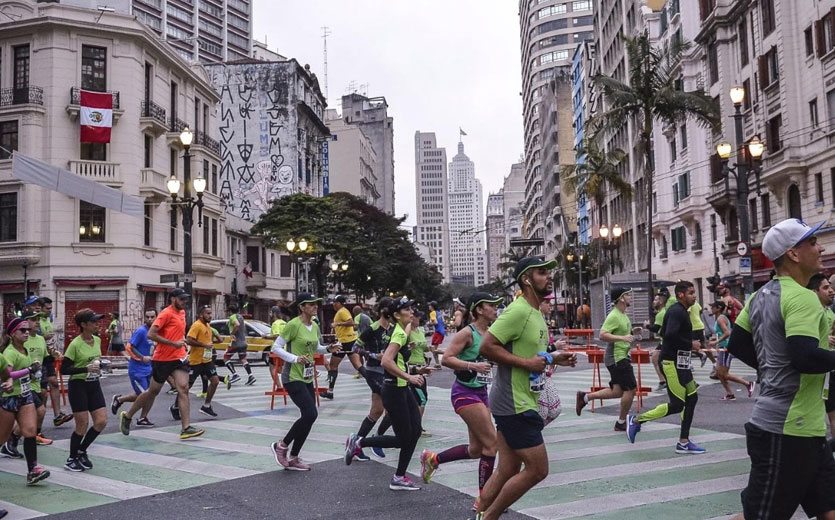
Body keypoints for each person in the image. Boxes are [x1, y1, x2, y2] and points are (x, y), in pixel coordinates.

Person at [727, 219, 835, 520]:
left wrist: (771, 369)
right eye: (812, 242)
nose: (821, 246)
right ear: (794, 254)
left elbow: (737, 343)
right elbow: (805, 357)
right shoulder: (803, 298)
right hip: (787, 432)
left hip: (808, 429)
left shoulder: (760, 295)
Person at [474, 257, 577, 520]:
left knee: (507, 468)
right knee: (538, 469)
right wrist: (528, 364)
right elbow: (486, 347)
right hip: (514, 402)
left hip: (522, 399)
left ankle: (477, 513)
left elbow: (533, 354)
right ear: (526, 280)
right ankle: (489, 518)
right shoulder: (518, 311)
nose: (548, 277)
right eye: (542, 273)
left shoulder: (536, 313)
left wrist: (555, 356)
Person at [420, 292, 503, 511]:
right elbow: (446, 358)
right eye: (491, 305)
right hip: (463, 393)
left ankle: (433, 459)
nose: (496, 308)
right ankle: (485, 501)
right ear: (478, 310)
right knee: (492, 443)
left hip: (481, 392)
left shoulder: (491, 333)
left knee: (477, 449)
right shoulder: (468, 333)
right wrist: (472, 366)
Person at [344, 296, 431, 490]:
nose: (411, 312)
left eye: (411, 309)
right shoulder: (398, 333)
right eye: (407, 310)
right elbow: (386, 361)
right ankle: (359, 442)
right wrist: (409, 378)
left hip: (402, 388)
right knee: (403, 438)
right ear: (396, 315)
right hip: (394, 389)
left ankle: (399, 477)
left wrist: (416, 372)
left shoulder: (398, 331)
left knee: (415, 432)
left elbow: (398, 362)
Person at [626, 281, 705, 454]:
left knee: (692, 399)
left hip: (681, 363)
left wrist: (693, 348)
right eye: (691, 292)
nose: (695, 296)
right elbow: (669, 335)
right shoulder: (677, 311)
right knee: (677, 404)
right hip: (671, 364)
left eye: (694, 292)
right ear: (681, 295)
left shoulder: (681, 311)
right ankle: (637, 420)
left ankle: (683, 442)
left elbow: (663, 332)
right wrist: (690, 344)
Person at [119, 289, 204, 440]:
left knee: (183, 388)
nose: (184, 302)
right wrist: (173, 343)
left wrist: (183, 345)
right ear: (173, 299)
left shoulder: (182, 313)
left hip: (179, 358)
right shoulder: (166, 313)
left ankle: (186, 428)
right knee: (152, 392)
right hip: (162, 359)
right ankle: (128, 415)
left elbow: (178, 333)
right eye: (181, 299)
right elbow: (151, 334)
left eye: (186, 299)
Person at [270, 293, 340, 471]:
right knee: (310, 414)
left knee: (309, 417)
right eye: (310, 304)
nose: (315, 306)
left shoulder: (315, 325)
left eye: (316, 304)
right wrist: (294, 359)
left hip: (307, 376)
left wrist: (328, 349)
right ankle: (282, 446)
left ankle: (293, 457)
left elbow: (316, 347)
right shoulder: (293, 325)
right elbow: (276, 348)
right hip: (292, 377)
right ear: (302, 307)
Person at [576, 288, 637, 431]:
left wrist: (633, 333)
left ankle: (585, 397)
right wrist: (622, 338)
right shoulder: (614, 315)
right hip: (617, 358)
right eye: (627, 294)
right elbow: (603, 335)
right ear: (621, 298)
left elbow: (621, 333)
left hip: (620, 356)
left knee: (617, 391)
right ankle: (621, 423)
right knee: (631, 389)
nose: (630, 297)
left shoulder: (623, 315)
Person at [0, 317, 50, 485]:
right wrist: (28, 370)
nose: (27, 333)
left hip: (25, 394)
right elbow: (8, 374)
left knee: (30, 431)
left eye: (28, 330)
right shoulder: (9, 352)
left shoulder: (25, 350)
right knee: (2, 437)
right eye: (22, 330)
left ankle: (32, 470)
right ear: (13, 334)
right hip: (9, 398)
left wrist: (34, 372)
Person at [343, 298, 394, 462]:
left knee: (377, 411)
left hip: (388, 371)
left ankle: (357, 442)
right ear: (383, 310)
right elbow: (355, 348)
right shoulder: (373, 328)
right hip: (374, 372)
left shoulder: (393, 329)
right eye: (391, 309)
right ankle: (375, 440)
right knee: (392, 408)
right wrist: (373, 355)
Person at [60, 309, 108, 472]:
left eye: (97, 321)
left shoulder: (97, 340)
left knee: (101, 421)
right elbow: (64, 369)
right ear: (83, 325)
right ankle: (71, 458)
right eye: (93, 322)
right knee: (82, 424)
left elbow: (97, 361)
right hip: (78, 386)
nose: (97, 324)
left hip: (93, 384)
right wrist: (85, 369)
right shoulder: (75, 344)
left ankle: (81, 450)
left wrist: (101, 366)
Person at [111, 309, 155, 425]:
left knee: (149, 394)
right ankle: (128, 415)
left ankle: (141, 417)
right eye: (147, 317)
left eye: (152, 317)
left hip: (149, 368)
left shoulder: (156, 331)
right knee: (144, 394)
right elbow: (130, 347)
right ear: (144, 318)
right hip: (137, 370)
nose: (150, 319)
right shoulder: (141, 331)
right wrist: (142, 357)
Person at [35, 297, 71, 428]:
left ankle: (57, 416)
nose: (50, 311)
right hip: (39, 357)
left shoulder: (48, 319)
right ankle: (37, 423)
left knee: (54, 383)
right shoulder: (36, 321)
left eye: (51, 308)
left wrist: (55, 351)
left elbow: (49, 340)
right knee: (42, 392)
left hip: (48, 355)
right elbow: (36, 338)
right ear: (40, 307)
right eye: (47, 308)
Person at [707, 301, 754, 401]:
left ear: (718, 308)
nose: (711, 309)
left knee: (724, 374)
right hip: (722, 348)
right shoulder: (720, 318)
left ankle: (748, 384)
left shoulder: (720, 318)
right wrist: (715, 340)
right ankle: (729, 393)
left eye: (713, 307)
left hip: (726, 348)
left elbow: (727, 333)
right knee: (719, 373)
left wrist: (716, 342)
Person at [181, 305, 220, 418]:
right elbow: (189, 340)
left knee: (215, 381)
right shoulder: (197, 325)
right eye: (207, 313)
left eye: (210, 313)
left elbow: (207, 341)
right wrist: (204, 345)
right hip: (195, 361)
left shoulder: (207, 326)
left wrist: (210, 344)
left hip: (207, 361)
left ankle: (206, 406)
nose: (210, 316)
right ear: (201, 314)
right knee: (186, 387)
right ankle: (176, 406)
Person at [324, 295, 360, 400]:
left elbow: (351, 323)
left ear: (340, 303)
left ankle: (330, 392)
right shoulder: (342, 311)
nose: (333, 304)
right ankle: (375, 385)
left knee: (332, 366)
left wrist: (337, 324)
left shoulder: (342, 311)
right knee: (358, 365)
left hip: (344, 342)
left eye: (335, 302)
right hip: (350, 341)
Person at [407, 311, 431, 436]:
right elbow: (402, 348)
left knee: (423, 398)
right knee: (421, 399)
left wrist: (430, 349)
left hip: (422, 367)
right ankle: (416, 427)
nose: (418, 319)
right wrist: (408, 347)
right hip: (412, 368)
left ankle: (416, 425)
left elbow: (425, 348)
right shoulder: (407, 332)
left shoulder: (420, 331)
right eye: (417, 317)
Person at [222, 304, 255, 388]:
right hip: (243, 342)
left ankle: (235, 374)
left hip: (235, 342)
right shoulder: (241, 316)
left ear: (230, 311)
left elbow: (237, 325)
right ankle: (250, 376)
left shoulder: (233, 317)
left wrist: (232, 333)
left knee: (226, 357)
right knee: (243, 359)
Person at [645, 287, 670, 390]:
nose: (653, 302)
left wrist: (646, 325)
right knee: (656, 358)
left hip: (666, 341)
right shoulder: (663, 312)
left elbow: (656, 328)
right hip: (664, 340)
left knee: (658, 359)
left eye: (656, 300)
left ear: (661, 301)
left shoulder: (661, 314)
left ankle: (664, 381)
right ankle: (663, 381)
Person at [428, 301, 446, 368]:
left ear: (432, 306)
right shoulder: (439, 313)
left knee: (433, 349)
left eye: (429, 305)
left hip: (438, 332)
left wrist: (429, 324)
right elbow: (443, 322)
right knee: (434, 348)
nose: (428, 307)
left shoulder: (432, 313)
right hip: (441, 331)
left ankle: (450, 354)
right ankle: (437, 364)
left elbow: (435, 322)